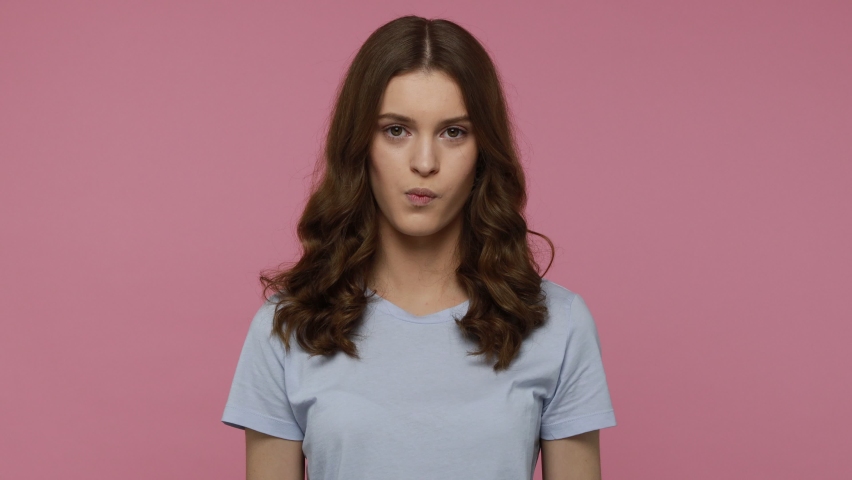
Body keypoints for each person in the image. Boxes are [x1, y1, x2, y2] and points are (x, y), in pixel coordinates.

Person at [221, 15, 616, 480]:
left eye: (454, 132)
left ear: (483, 151)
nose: (424, 163)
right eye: (396, 130)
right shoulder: (287, 327)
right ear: (359, 144)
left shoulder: (558, 324)